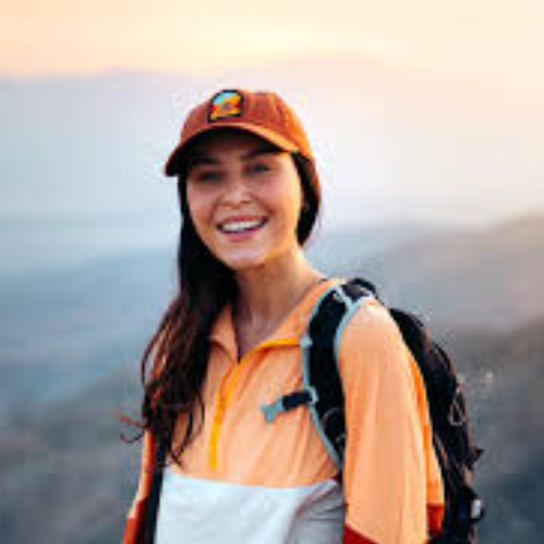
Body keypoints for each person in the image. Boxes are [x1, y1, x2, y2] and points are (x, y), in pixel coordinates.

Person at [122, 88, 445, 544]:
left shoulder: (358, 338)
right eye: (209, 176)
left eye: (259, 168)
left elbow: (390, 534)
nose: (235, 196)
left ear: (304, 185)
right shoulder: (181, 347)